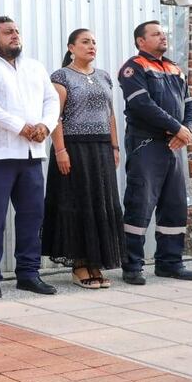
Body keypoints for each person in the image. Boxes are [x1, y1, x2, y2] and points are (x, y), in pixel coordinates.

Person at [0, 16, 60, 299]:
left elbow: (51, 99)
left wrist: (45, 125)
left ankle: (28, 274)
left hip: (31, 154)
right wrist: (21, 127)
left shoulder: (34, 67)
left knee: (32, 215)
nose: (15, 35)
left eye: (17, 31)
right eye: (8, 32)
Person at [41, 29, 126, 289]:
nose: (91, 46)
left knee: (101, 202)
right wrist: (60, 151)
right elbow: (56, 116)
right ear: (71, 47)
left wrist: (114, 147)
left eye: (94, 43)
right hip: (74, 149)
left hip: (101, 148)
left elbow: (110, 114)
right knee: (78, 202)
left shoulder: (104, 77)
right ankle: (80, 265)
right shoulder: (61, 76)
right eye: (85, 42)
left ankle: (96, 262)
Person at [118, 20, 192, 284]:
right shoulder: (134, 67)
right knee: (139, 205)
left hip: (173, 146)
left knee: (174, 206)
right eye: (156, 34)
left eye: (163, 33)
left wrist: (186, 129)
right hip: (146, 144)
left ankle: (170, 262)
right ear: (141, 41)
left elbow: (190, 105)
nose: (163, 37)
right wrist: (176, 128)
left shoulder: (175, 68)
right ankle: (132, 266)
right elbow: (141, 104)